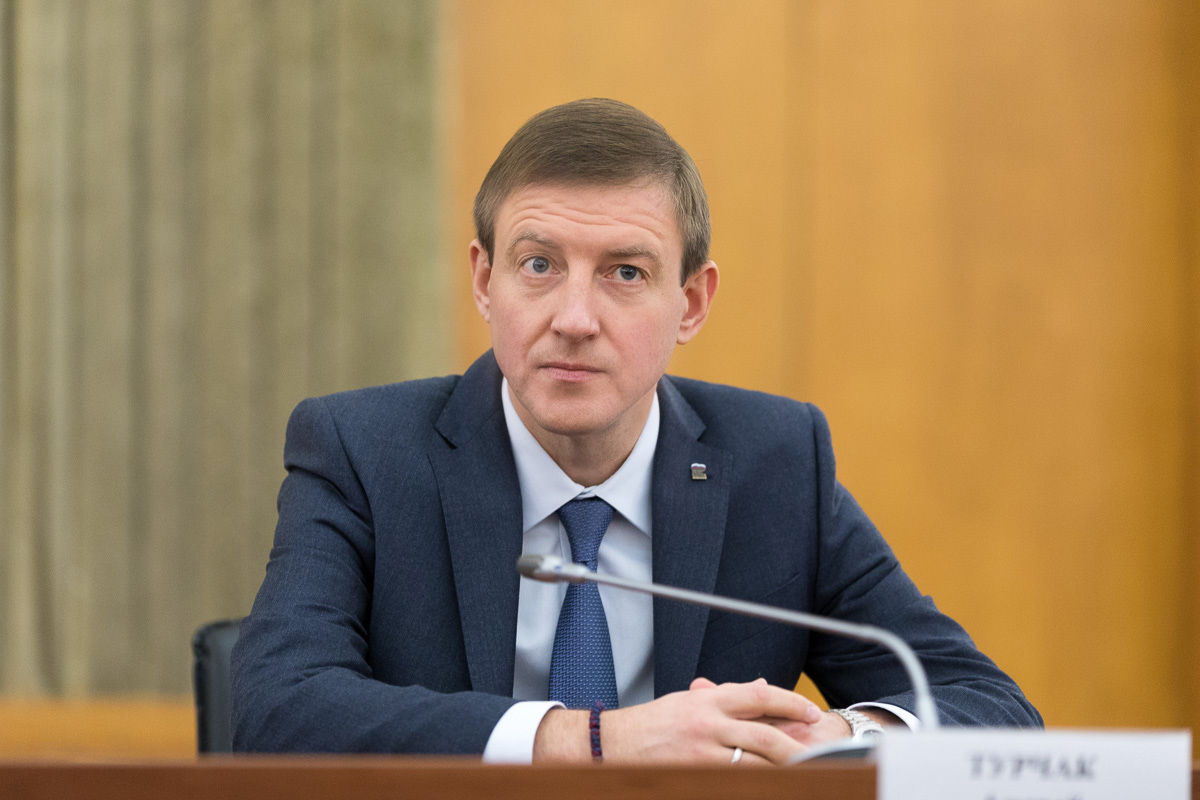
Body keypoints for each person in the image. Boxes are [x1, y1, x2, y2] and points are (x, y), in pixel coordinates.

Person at [231, 98, 1041, 764]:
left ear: (691, 303)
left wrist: (838, 738)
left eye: (625, 272)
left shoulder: (776, 463)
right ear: (484, 280)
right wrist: (592, 741)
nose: (574, 319)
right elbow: (277, 711)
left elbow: (989, 704)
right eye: (539, 265)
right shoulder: (362, 451)